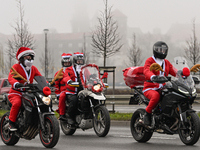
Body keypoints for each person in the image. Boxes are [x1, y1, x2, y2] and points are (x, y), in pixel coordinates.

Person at [143, 41, 177, 126]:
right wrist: (152, 77)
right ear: (155, 50)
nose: (163, 52)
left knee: (173, 94)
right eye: (160, 50)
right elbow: (147, 70)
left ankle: (169, 115)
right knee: (155, 96)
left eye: (164, 50)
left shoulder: (166, 62)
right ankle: (147, 113)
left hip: (163, 87)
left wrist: (183, 74)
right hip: (150, 87)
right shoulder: (150, 61)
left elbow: (174, 71)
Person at [8, 47, 42, 131]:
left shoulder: (33, 68)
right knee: (17, 103)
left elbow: (40, 78)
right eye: (27, 58)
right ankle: (11, 123)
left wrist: (46, 84)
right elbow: (11, 77)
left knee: (38, 101)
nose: (29, 59)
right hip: (16, 92)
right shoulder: (16, 67)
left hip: (28, 93)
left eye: (30, 58)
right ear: (21, 59)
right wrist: (16, 84)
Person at [61, 52, 85, 124]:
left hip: (83, 91)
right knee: (74, 100)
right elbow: (65, 76)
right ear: (75, 61)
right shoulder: (69, 69)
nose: (80, 62)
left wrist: (94, 78)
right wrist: (69, 81)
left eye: (81, 61)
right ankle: (70, 116)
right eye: (78, 61)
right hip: (72, 91)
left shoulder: (84, 69)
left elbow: (89, 76)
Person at [54, 53, 72, 120]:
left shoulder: (73, 71)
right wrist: (58, 93)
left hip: (72, 90)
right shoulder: (59, 73)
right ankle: (62, 114)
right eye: (65, 63)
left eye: (68, 63)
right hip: (63, 90)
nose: (67, 64)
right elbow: (56, 84)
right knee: (62, 96)